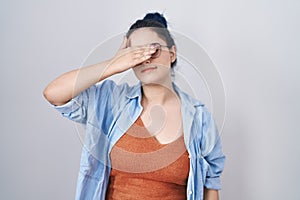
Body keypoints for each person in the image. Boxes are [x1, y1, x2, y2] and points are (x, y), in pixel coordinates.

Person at [43, 12, 225, 200]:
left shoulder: (200, 118)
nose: (145, 59)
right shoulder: (110, 101)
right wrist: (112, 64)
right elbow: (54, 94)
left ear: (172, 54)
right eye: (135, 53)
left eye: (153, 49)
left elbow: (210, 188)